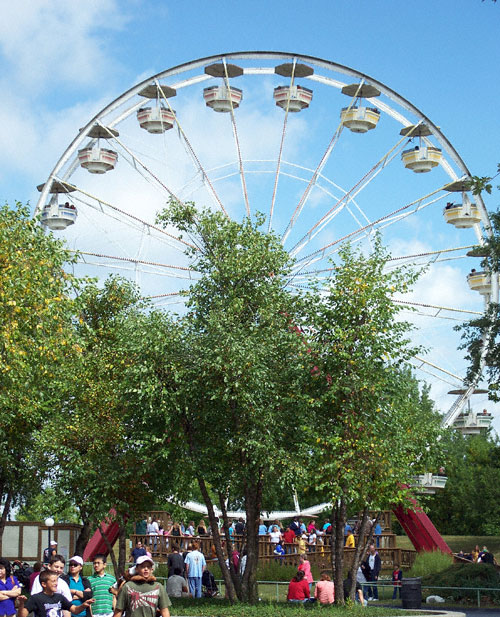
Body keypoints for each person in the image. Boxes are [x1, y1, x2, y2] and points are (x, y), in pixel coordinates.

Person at [19, 570, 94, 617]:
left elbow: (74, 610)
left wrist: (84, 605)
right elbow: (22, 615)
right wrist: (22, 603)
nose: (56, 583)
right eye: (53, 581)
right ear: (44, 584)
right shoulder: (36, 598)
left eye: (56, 581)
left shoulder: (60, 597)